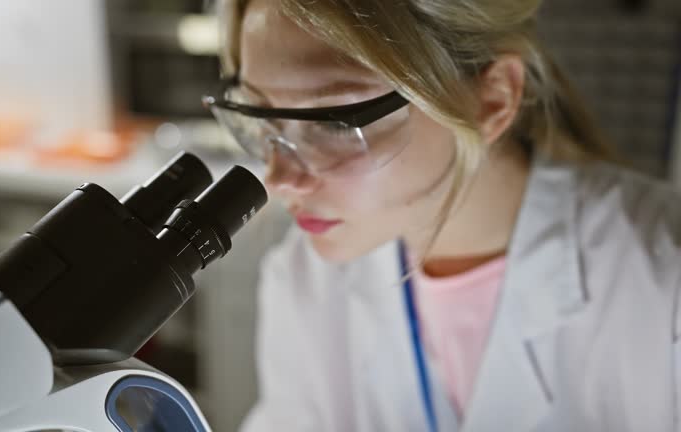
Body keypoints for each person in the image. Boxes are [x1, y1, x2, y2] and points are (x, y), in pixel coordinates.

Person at [203, 0, 681, 430]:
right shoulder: (304, 278)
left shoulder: (661, 284)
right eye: (262, 116)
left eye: (334, 121)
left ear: (491, 100)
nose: (280, 177)